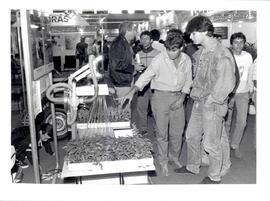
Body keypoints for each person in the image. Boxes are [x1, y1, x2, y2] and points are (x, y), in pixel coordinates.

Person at [117, 29, 192, 176]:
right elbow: (146, 75)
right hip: (160, 98)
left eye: (174, 50)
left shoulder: (186, 60)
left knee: (177, 132)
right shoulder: (159, 59)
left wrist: (182, 98)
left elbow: (188, 81)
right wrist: (133, 91)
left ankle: (174, 157)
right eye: (168, 49)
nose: (171, 53)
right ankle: (163, 160)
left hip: (178, 97)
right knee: (162, 133)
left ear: (181, 48)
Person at [174, 15, 235, 184]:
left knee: (211, 143)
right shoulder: (200, 53)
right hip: (199, 101)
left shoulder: (222, 53)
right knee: (191, 136)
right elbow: (200, 77)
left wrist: (212, 99)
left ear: (203, 32)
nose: (191, 37)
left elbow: (228, 81)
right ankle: (193, 166)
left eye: (193, 34)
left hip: (213, 105)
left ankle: (214, 176)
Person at [225, 32, 254, 159]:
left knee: (242, 121)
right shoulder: (228, 56)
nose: (238, 45)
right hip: (230, 92)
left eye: (241, 42)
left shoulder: (248, 56)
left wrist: (251, 89)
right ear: (231, 44)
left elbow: (250, 73)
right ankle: (224, 146)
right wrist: (227, 93)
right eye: (236, 42)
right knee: (227, 120)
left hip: (243, 93)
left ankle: (234, 145)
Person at [133, 31, 160, 134]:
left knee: (156, 108)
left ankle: (157, 128)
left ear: (151, 40)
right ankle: (143, 129)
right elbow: (135, 69)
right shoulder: (138, 54)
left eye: (146, 38)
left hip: (155, 84)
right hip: (142, 84)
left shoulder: (158, 53)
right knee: (141, 107)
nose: (144, 41)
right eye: (142, 38)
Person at [108, 21, 136, 99]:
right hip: (122, 83)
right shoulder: (119, 43)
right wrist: (134, 68)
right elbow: (116, 64)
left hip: (123, 81)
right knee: (124, 109)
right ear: (127, 30)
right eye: (134, 30)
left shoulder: (123, 42)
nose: (135, 32)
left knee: (124, 108)